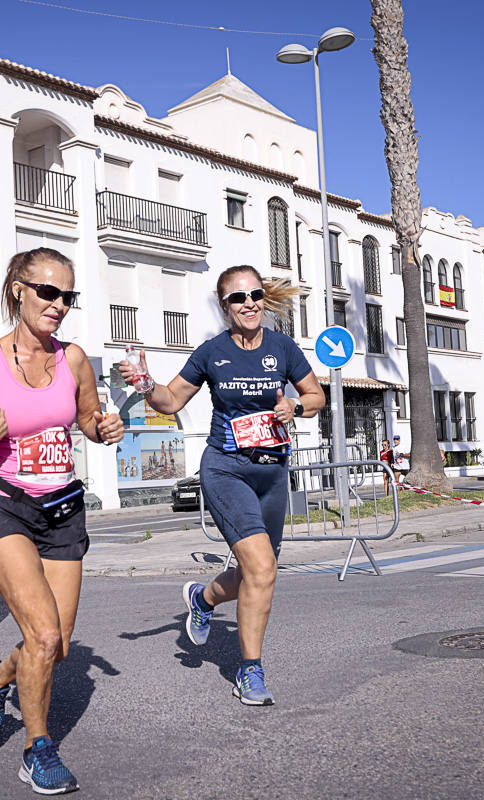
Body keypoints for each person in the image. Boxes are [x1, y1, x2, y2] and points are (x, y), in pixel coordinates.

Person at [0, 247, 123, 794]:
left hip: (61, 507)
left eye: (69, 296)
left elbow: (88, 417)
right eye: (49, 292)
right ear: (19, 289)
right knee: (42, 635)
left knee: (58, 644)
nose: (60, 305)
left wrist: (102, 428)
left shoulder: (72, 359)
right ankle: (37, 750)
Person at [120, 264, 324, 706]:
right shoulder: (212, 352)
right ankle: (249, 670)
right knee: (263, 569)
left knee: (258, 572)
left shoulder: (283, 348)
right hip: (226, 468)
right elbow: (171, 399)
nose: (248, 303)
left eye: (254, 295)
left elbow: (316, 396)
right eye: (238, 298)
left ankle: (203, 598)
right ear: (224, 306)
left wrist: (296, 406)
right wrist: (145, 384)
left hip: (272, 472)